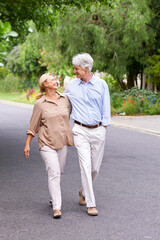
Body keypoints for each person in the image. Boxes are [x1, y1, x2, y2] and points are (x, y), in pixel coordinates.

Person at [64, 53, 110, 216]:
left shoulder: (102, 84)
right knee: (85, 166)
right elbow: (62, 103)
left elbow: (106, 106)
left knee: (95, 168)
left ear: (86, 68)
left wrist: (104, 127)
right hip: (80, 130)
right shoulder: (71, 86)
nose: (75, 71)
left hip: (98, 129)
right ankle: (90, 203)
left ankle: (84, 191)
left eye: (77, 69)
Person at [24, 73, 73, 219]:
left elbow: (66, 116)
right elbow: (33, 126)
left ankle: (53, 196)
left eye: (55, 79)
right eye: (52, 80)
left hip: (62, 141)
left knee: (60, 172)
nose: (55, 81)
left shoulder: (65, 99)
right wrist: (27, 144)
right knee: (54, 172)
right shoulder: (40, 104)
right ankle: (57, 207)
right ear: (45, 84)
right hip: (46, 142)